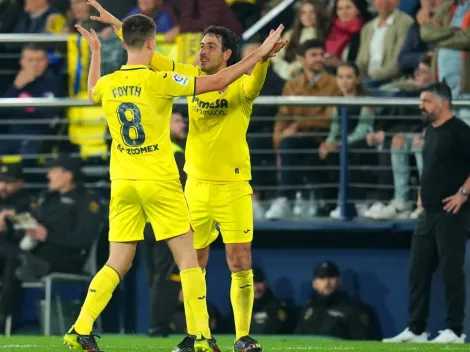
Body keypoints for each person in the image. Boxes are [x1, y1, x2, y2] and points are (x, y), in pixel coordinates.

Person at [63, 10, 285, 352]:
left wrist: (101, 44)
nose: (202, 51)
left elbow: (94, 89)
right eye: (202, 45)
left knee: (119, 260)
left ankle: (80, 328)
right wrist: (261, 51)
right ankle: (201, 336)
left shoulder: (109, 83)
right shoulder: (166, 79)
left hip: (126, 182)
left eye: (210, 46)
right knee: (188, 260)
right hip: (167, 182)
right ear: (151, 44)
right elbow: (209, 81)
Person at [383, 82, 470, 344]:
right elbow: (432, 168)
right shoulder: (430, 131)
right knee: (417, 271)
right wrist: (422, 192)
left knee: (451, 271)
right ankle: (417, 329)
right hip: (427, 213)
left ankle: (455, 330)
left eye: (426, 101)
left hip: (451, 213)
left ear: (443, 103)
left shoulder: (460, 131)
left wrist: (463, 194)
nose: (421, 106)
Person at [143, 112, 187, 337]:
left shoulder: (150, 149)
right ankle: (159, 325)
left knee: (155, 277)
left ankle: (157, 322)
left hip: (147, 221)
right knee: (167, 277)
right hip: (167, 222)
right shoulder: (177, 154)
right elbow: (184, 190)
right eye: (177, 121)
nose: (183, 125)